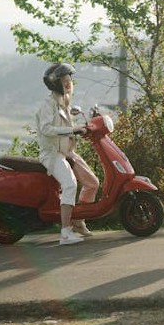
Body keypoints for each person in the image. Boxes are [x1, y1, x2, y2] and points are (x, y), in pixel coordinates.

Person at [36, 63, 100, 245]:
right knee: (70, 184)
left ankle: (78, 221)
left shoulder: (64, 102)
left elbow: (68, 126)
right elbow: (46, 129)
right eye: (65, 81)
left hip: (67, 152)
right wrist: (72, 130)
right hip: (53, 154)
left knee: (92, 183)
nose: (69, 83)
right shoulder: (47, 105)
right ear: (56, 84)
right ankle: (65, 232)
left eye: (69, 79)